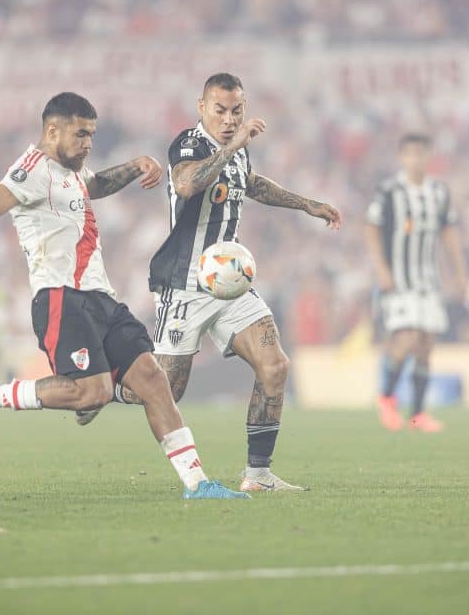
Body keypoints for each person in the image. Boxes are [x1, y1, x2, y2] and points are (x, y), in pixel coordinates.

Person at [0, 92, 248, 500]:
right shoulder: (32, 170)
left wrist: (134, 167)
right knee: (90, 393)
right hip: (61, 297)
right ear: (52, 130)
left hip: (101, 297)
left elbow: (93, 185)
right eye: (81, 134)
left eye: (92, 135)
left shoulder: (71, 170)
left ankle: (198, 485)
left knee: (153, 379)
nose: (88, 143)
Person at [75, 73, 342, 493]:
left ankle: (257, 476)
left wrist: (306, 204)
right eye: (220, 110)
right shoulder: (188, 144)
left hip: (231, 284)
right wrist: (232, 145)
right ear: (202, 108)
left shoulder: (238, 153)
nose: (230, 119)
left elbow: (251, 184)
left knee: (275, 367)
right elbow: (185, 184)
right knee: (166, 389)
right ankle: (99, 389)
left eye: (237, 110)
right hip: (185, 284)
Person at [364, 133, 468, 432]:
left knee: (426, 344)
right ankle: (386, 397)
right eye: (409, 154)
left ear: (429, 156)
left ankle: (418, 413)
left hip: (428, 280)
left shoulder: (438, 191)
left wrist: (459, 272)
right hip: (398, 280)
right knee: (406, 337)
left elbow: (448, 233)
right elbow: (371, 229)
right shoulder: (389, 190)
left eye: (420, 154)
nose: (415, 159)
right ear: (401, 157)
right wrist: (381, 269)